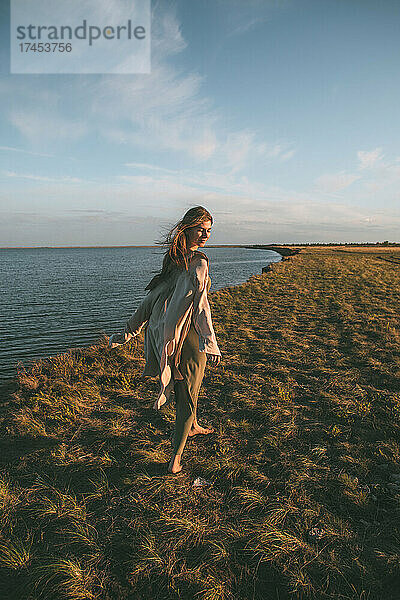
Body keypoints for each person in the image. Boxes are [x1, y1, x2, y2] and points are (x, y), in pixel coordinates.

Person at [108, 206, 222, 474]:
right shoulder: (197, 263)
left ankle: (193, 426)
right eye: (200, 229)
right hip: (190, 341)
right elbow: (202, 307)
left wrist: (127, 333)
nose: (205, 235)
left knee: (188, 392)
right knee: (187, 397)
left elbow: (148, 304)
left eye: (209, 230)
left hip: (173, 339)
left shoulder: (174, 262)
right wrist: (210, 342)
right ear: (188, 229)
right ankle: (175, 460)